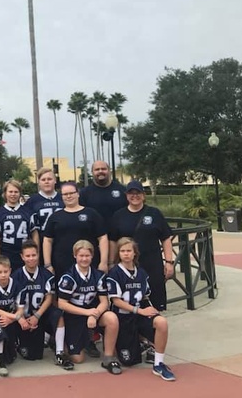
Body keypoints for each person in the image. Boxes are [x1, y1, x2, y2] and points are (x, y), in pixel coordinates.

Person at [107, 237, 176, 381]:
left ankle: (158, 364)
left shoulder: (142, 273)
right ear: (118, 253)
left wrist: (150, 309)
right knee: (128, 361)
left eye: (129, 251)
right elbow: (116, 301)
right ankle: (138, 343)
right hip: (123, 318)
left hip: (139, 314)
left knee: (161, 322)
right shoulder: (114, 273)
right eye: (122, 251)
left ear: (135, 253)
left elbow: (145, 297)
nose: (126, 254)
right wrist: (139, 311)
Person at [57, 240, 121, 375]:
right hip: (74, 315)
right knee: (78, 359)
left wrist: (94, 314)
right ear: (75, 255)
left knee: (112, 318)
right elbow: (62, 304)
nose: (84, 259)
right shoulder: (69, 277)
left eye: (87, 255)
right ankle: (65, 343)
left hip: (93, 312)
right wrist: (86, 312)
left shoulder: (98, 276)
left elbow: (104, 302)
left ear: (92, 256)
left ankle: (108, 357)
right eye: (81, 255)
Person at [109, 181, 174, 311]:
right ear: (126, 196)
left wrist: (169, 262)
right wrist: (111, 263)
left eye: (138, 193)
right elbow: (113, 241)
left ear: (143, 195)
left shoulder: (154, 213)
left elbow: (166, 238)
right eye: (131, 193)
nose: (135, 196)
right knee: (130, 302)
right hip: (128, 266)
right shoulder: (118, 216)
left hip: (152, 264)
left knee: (155, 302)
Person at [12, 240, 73, 370]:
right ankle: (17, 341)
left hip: (39, 315)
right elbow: (13, 301)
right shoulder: (16, 276)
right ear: (22, 257)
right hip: (22, 317)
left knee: (58, 314)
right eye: (28, 256)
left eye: (33, 255)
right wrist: (21, 319)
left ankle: (60, 353)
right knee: (32, 356)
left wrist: (37, 316)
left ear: (38, 255)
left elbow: (49, 298)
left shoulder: (46, 275)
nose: (31, 258)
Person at [43, 181, 108, 276]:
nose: (68, 196)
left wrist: (103, 262)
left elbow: (102, 238)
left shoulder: (91, 214)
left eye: (71, 193)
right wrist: (48, 264)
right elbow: (47, 240)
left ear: (78, 194)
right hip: (62, 265)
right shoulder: (55, 217)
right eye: (65, 194)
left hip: (88, 264)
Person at [0, 255, 26, 377]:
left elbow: (20, 309)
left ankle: (0, 345)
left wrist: (13, 318)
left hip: (11, 315)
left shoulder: (17, 285)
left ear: (10, 271)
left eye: (5, 271)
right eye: (0, 272)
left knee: (11, 358)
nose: (3, 275)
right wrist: (17, 318)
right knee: (0, 326)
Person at [0, 180, 37, 272]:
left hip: (25, 253)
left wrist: (36, 252)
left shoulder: (28, 212)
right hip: (6, 253)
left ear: (20, 193)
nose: (13, 194)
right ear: (5, 193)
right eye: (10, 192)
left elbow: (34, 234)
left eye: (16, 192)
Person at [79, 161, 128, 227]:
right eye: (97, 169)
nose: (100, 171)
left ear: (109, 171)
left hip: (119, 232)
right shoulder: (84, 193)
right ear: (92, 172)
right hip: (94, 232)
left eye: (103, 169)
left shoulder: (122, 190)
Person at [24, 167, 64, 243]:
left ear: (55, 180)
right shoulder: (32, 201)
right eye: (43, 180)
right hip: (41, 242)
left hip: (62, 241)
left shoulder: (63, 198)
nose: (46, 182)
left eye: (49, 179)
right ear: (39, 182)